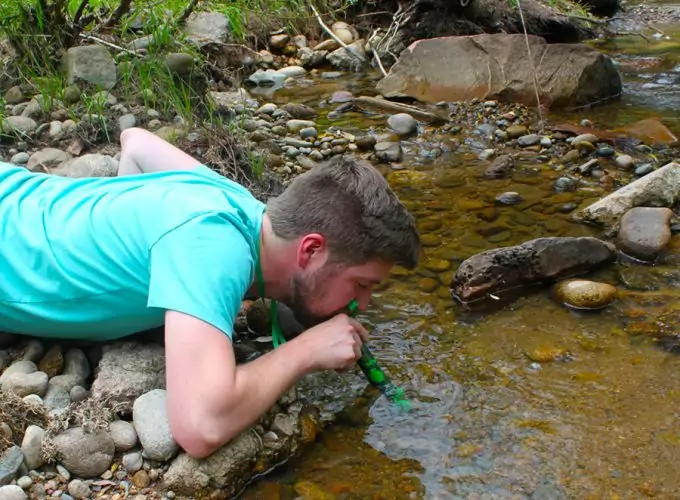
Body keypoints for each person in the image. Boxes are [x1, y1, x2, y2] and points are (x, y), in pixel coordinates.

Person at [0, 127, 420, 458]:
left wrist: (142, 263)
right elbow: (200, 426)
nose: (361, 304)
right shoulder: (211, 245)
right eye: (362, 285)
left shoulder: (237, 203)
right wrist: (307, 350)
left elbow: (137, 144)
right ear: (310, 250)